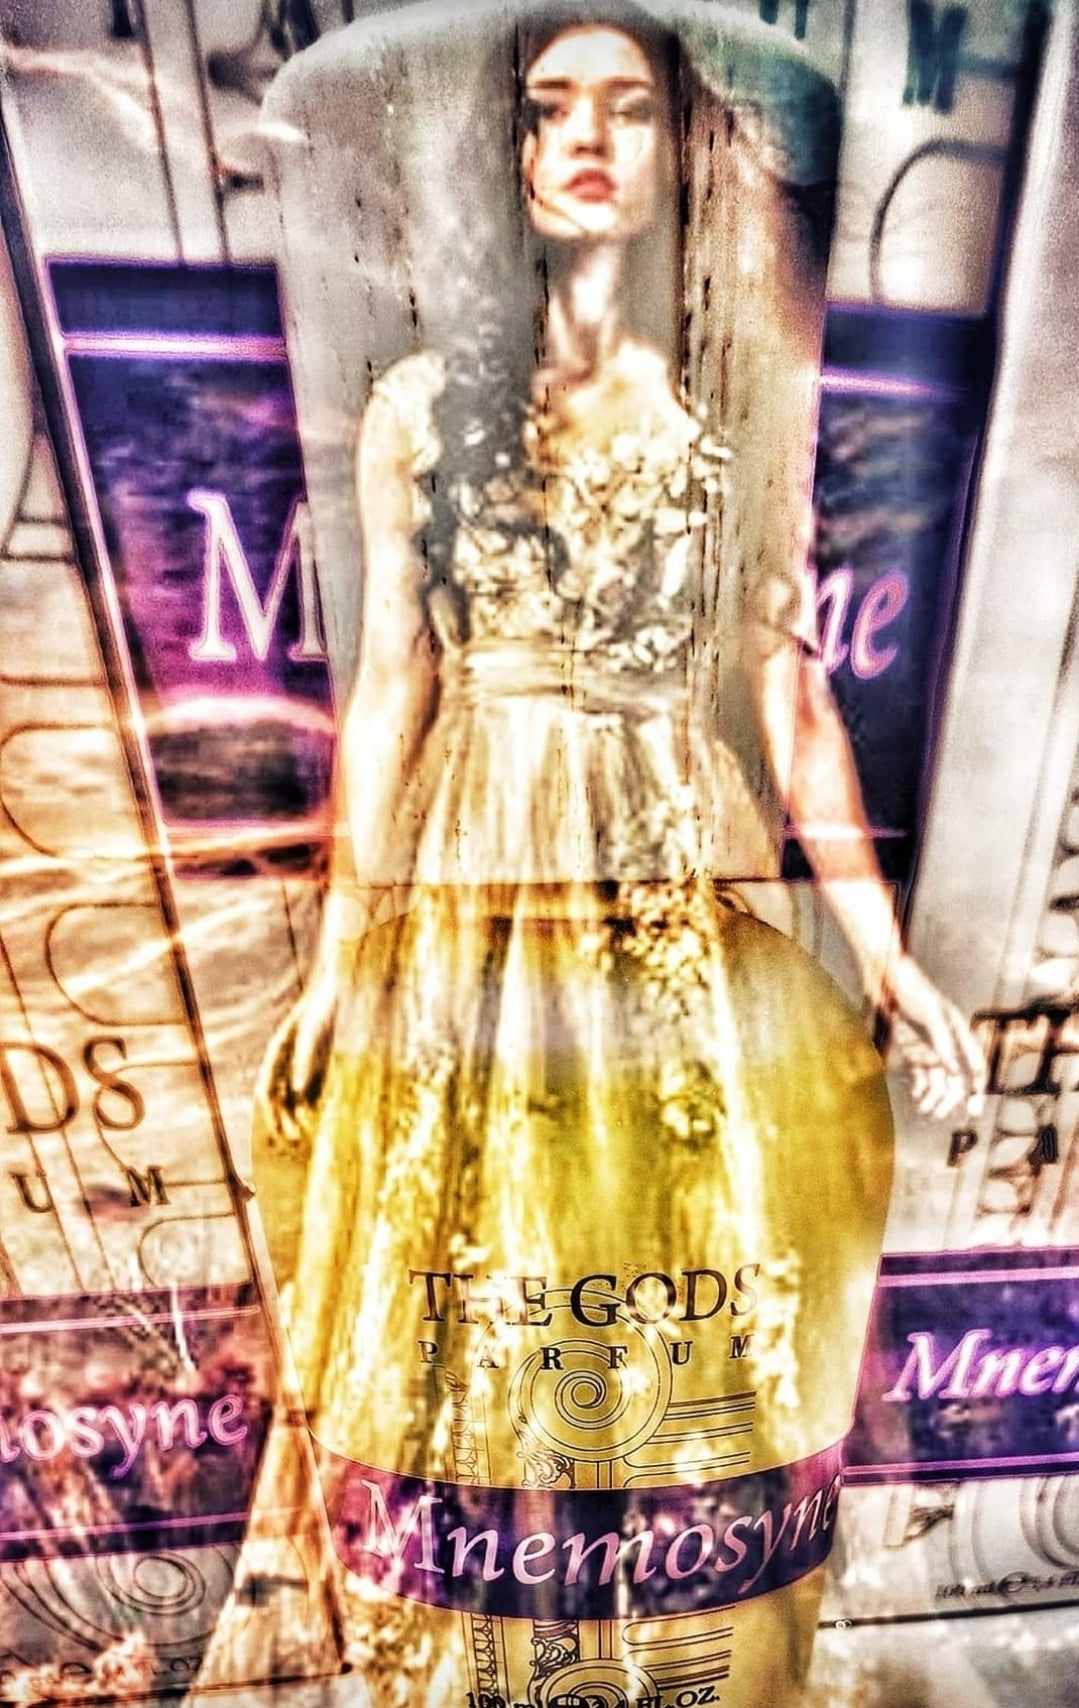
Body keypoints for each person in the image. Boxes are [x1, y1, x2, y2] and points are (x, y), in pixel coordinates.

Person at [248, 6, 982, 1699]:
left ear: (673, 153)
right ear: (513, 153)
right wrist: (342, 959)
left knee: (658, 1251)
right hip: (476, 869)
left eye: (629, 108)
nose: (586, 138)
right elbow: (390, 692)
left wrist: (883, 952)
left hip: (666, 864)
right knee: (477, 1254)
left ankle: (655, 1655)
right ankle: (485, 1664)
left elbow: (790, 700)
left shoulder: (732, 427)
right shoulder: (423, 409)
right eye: (552, 108)